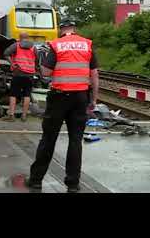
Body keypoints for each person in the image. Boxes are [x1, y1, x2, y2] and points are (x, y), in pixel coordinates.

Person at [25, 18, 99, 193]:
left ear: (62, 29)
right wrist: (93, 100)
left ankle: (36, 180)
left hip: (59, 97)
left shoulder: (56, 44)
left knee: (48, 139)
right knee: (75, 141)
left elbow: (46, 72)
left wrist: (43, 62)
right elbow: (94, 75)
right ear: (74, 28)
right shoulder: (87, 44)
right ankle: (73, 184)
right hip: (80, 97)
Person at [3, 32, 37, 122]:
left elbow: (6, 53)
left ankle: (11, 115)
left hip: (18, 73)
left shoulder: (16, 45)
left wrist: (12, 63)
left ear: (20, 37)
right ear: (28, 38)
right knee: (27, 95)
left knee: (13, 94)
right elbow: (37, 59)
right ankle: (24, 115)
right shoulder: (33, 47)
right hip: (30, 74)